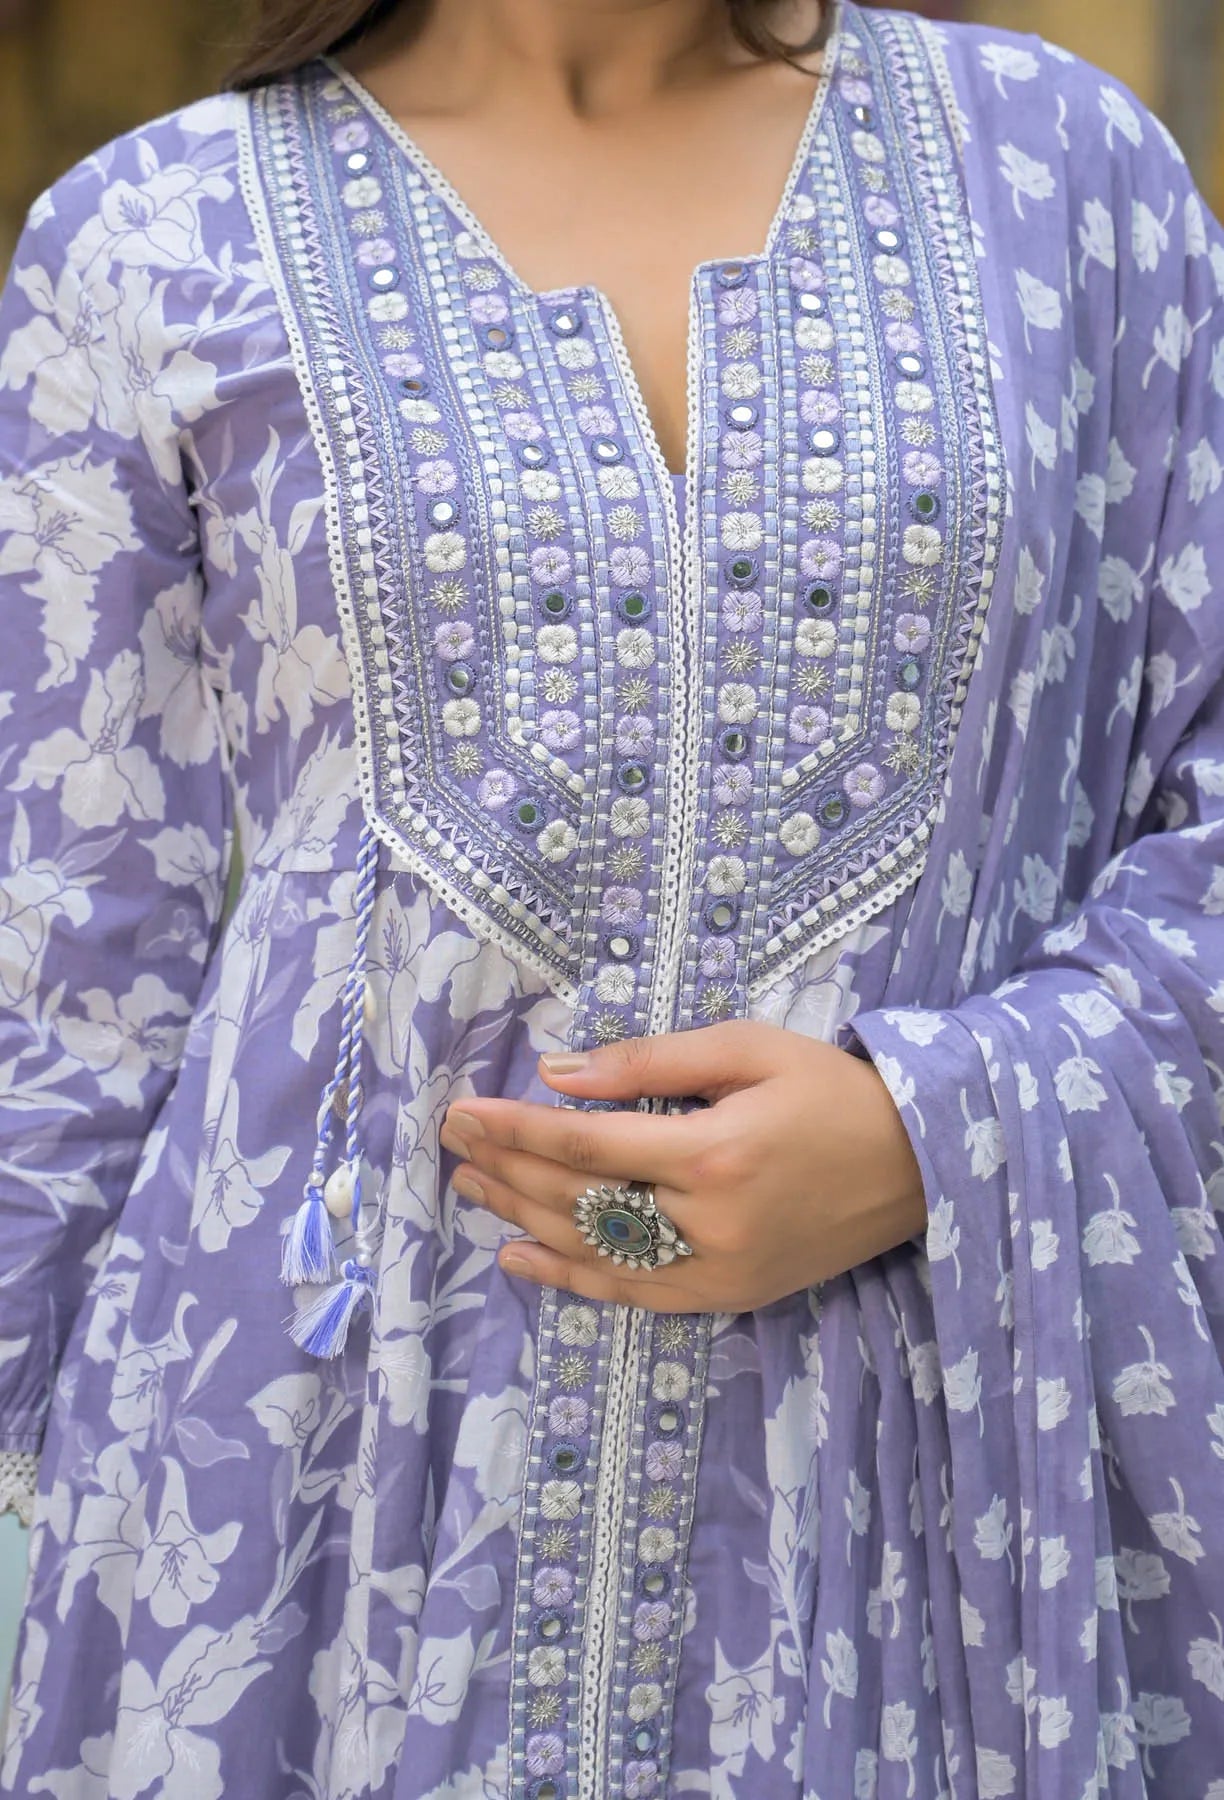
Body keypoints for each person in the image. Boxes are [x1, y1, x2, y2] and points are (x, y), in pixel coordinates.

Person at [0, 0, 1222, 1791]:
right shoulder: (150, 236)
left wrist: (932, 1130)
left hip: (925, 1496)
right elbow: (63, 986)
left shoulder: (1063, 173)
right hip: (297, 1521)